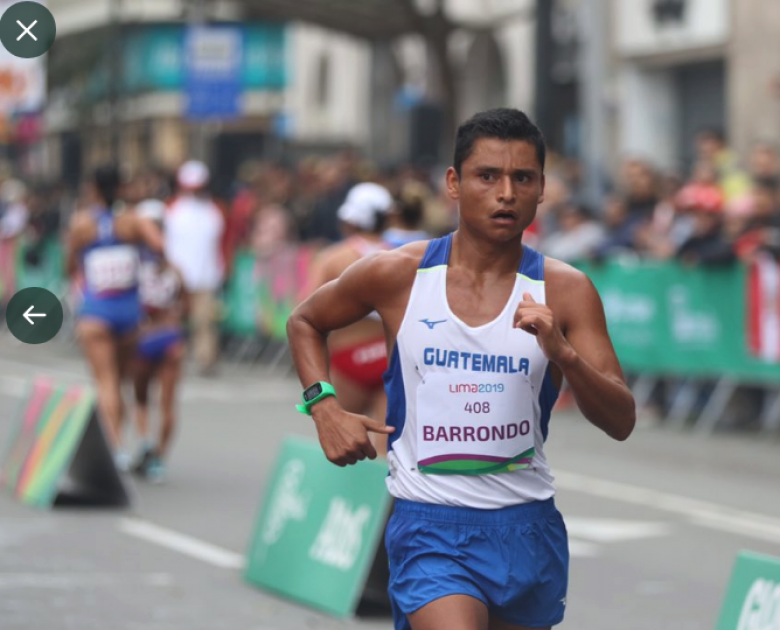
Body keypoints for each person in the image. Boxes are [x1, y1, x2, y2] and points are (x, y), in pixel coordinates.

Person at [287, 108, 635, 630]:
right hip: (430, 526)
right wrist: (323, 407)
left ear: (542, 190)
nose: (506, 193)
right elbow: (305, 321)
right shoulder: (399, 274)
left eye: (523, 178)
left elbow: (621, 419)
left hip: (527, 528)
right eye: (487, 176)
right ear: (454, 183)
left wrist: (564, 355)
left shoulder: (565, 290)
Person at [65, 165, 163, 470]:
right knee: (120, 380)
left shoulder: (82, 223)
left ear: (93, 189)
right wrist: (150, 266)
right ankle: (126, 442)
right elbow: (159, 247)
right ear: (121, 188)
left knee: (106, 381)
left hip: (96, 310)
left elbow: (69, 264)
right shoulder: (133, 221)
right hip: (128, 311)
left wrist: (83, 275)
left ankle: (117, 446)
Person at [305, 182, 395, 455]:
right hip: (387, 357)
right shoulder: (401, 257)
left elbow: (305, 307)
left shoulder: (333, 257)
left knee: (339, 442)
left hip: (348, 358)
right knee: (385, 447)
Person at [132, 199, 186, 483]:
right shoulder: (174, 268)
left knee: (141, 396)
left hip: (143, 337)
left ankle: (144, 443)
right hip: (171, 338)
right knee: (167, 403)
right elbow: (183, 305)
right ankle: (158, 459)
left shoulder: (133, 265)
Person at [164, 160, 226, 376]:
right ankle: (171, 356)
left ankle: (206, 359)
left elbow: (224, 241)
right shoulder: (171, 208)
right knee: (173, 320)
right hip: (176, 275)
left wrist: (223, 267)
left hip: (206, 275)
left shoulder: (215, 210)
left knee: (204, 322)